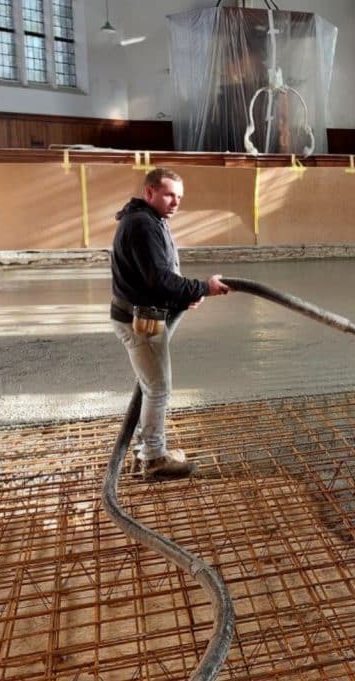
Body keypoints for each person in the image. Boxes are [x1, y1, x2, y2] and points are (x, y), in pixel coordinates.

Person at [110, 167, 231, 478]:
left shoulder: (150, 219)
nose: (175, 202)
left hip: (146, 314)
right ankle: (152, 457)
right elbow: (159, 280)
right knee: (158, 389)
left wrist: (182, 297)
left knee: (152, 386)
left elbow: (159, 279)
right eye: (168, 195)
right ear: (149, 192)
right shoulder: (142, 225)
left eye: (179, 197)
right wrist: (203, 287)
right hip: (142, 322)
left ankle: (146, 447)